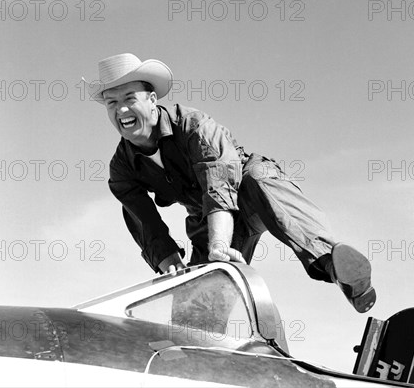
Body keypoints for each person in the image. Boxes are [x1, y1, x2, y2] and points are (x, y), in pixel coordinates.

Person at [83, 53, 376, 313]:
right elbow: (143, 221)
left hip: (247, 195)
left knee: (260, 181)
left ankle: (337, 268)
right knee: (194, 306)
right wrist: (169, 263)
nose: (121, 111)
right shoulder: (122, 168)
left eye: (129, 99)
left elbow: (219, 184)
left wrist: (220, 244)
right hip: (205, 221)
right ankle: (199, 351)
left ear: (151, 99)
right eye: (112, 103)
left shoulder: (194, 126)